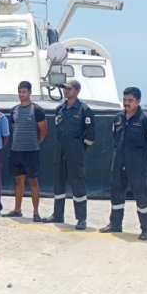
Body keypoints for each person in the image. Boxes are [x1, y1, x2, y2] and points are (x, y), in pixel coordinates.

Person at [99, 86, 147, 241]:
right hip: (119, 162)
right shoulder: (118, 118)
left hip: (137, 165)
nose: (126, 103)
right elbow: (115, 138)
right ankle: (115, 224)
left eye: (130, 100)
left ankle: (146, 229)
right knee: (116, 194)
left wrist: (140, 160)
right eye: (124, 100)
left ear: (138, 101)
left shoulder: (146, 119)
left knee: (141, 197)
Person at [42, 80, 95, 230]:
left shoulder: (84, 110)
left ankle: (81, 219)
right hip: (60, 151)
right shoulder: (60, 109)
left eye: (69, 89)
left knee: (78, 185)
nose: (66, 91)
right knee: (58, 183)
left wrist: (78, 149)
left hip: (75, 153)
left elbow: (90, 136)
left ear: (77, 91)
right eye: (65, 89)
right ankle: (58, 214)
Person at [3, 81, 47, 221]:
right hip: (16, 151)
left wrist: (35, 142)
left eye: (24, 92)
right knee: (18, 182)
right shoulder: (14, 110)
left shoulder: (37, 110)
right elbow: (14, 127)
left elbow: (43, 130)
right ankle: (17, 210)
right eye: (20, 92)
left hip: (31, 152)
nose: (22, 94)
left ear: (29, 93)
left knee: (33, 182)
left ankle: (36, 213)